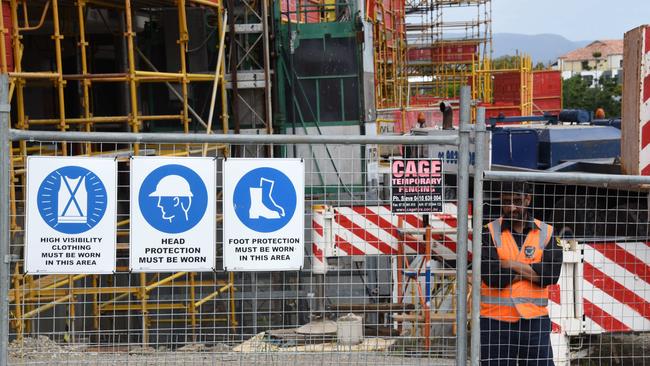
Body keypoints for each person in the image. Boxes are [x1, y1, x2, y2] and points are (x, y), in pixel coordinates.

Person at [480, 181, 563, 365]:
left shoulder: (547, 232)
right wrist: (532, 270)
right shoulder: (488, 232)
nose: (511, 207)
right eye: (506, 202)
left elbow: (549, 276)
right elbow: (492, 276)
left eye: (517, 201)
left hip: (534, 320)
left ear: (527, 200)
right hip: (495, 321)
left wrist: (509, 264)